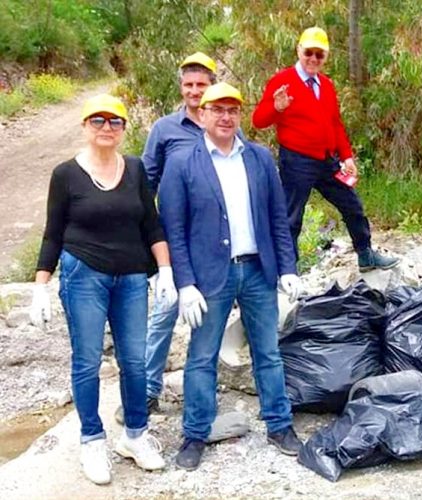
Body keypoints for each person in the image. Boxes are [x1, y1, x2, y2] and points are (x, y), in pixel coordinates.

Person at [28, 94, 174, 484]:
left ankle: (135, 436)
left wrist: (166, 271)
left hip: (131, 278)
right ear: (84, 126)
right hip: (83, 275)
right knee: (88, 360)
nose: (107, 127)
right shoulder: (65, 174)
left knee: (135, 360)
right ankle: (92, 440)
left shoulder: (136, 168)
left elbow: (152, 225)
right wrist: (40, 287)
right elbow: (52, 233)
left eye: (115, 121)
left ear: (124, 129)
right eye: (98, 120)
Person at [158, 82, 304, 470]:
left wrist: (287, 268)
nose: (225, 117)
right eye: (217, 110)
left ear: (240, 115)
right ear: (202, 115)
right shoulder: (183, 162)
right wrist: (184, 283)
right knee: (202, 356)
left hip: (257, 270)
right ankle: (195, 433)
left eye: (232, 110)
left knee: (268, 352)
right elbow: (174, 227)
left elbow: (278, 219)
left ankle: (279, 425)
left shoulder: (258, 159)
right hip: (210, 277)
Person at [118, 52, 217, 423]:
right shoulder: (165, 129)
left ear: (210, 86)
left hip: (214, 240)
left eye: (201, 85)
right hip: (173, 237)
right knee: (164, 312)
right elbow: (145, 184)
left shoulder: (224, 123)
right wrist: (140, 231)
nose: (195, 91)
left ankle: (203, 393)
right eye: (189, 85)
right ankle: (147, 392)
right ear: (182, 88)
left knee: (211, 312)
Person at [251, 26, 398, 270]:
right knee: (291, 218)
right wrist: (276, 108)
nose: (313, 59)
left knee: (353, 205)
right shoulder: (282, 82)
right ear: (299, 50)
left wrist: (347, 156)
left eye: (319, 55)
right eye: (309, 52)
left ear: (326, 57)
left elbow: (335, 124)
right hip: (296, 161)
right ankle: (287, 272)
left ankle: (366, 255)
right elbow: (258, 120)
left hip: (326, 160)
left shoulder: (326, 86)